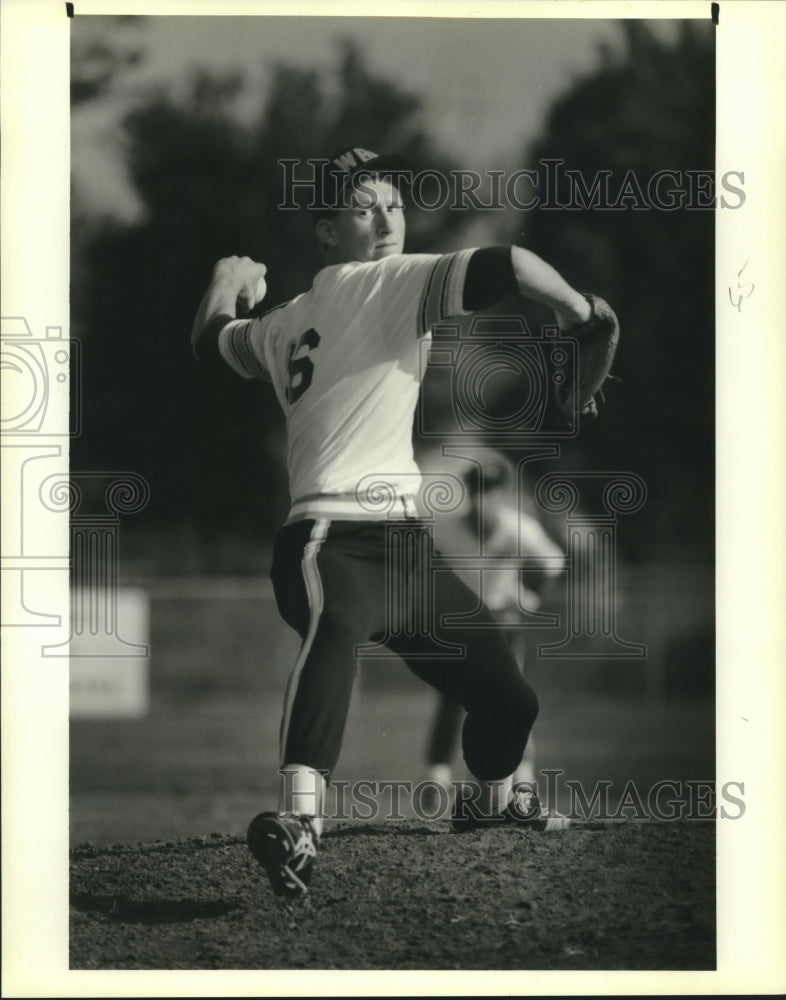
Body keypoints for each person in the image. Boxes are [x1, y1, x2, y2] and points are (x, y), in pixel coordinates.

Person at [191, 146, 598, 896]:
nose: (385, 218)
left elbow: (215, 340)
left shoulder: (282, 324)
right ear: (325, 231)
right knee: (336, 628)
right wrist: (574, 309)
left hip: (409, 552)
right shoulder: (387, 280)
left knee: (511, 701)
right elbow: (508, 262)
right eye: (362, 204)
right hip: (328, 542)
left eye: (393, 203)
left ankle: (490, 805)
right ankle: (302, 822)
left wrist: (225, 285)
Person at [422, 451, 566, 805]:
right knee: (453, 695)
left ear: (504, 491)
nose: (484, 497)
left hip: (503, 625)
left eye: (492, 488)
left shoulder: (520, 528)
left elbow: (553, 563)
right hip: (460, 625)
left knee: (512, 699)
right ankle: (437, 775)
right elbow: (422, 563)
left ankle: (523, 777)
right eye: (478, 488)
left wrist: (529, 597)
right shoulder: (445, 527)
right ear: (469, 492)